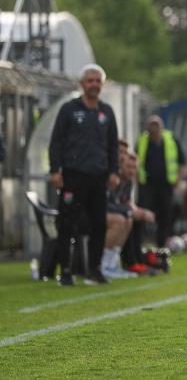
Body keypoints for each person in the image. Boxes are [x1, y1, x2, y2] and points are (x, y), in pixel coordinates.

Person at [48, 64, 120, 286]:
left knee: (99, 224)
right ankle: (66, 271)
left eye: (98, 81)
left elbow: (112, 145)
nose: (94, 85)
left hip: (98, 177)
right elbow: (56, 142)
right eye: (90, 81)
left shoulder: (106, 112)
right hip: (73, 175)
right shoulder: (69, 109)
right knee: (67, 224)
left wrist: (113, 171)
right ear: (82, 84)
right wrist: (55, 170)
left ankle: (95, 269)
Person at [136, 116, 186, 248]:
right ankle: (139, 244)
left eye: (156, 124)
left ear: (162, 126)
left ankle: (162, 246)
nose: (154, 127)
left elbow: (182, 162)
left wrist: (178, 180)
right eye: (151, 124)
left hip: (166, 184)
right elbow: (135, 162)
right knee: (143, 214)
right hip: (147, 185)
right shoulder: (142, 141)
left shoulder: (171, 140)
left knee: (165, 215)